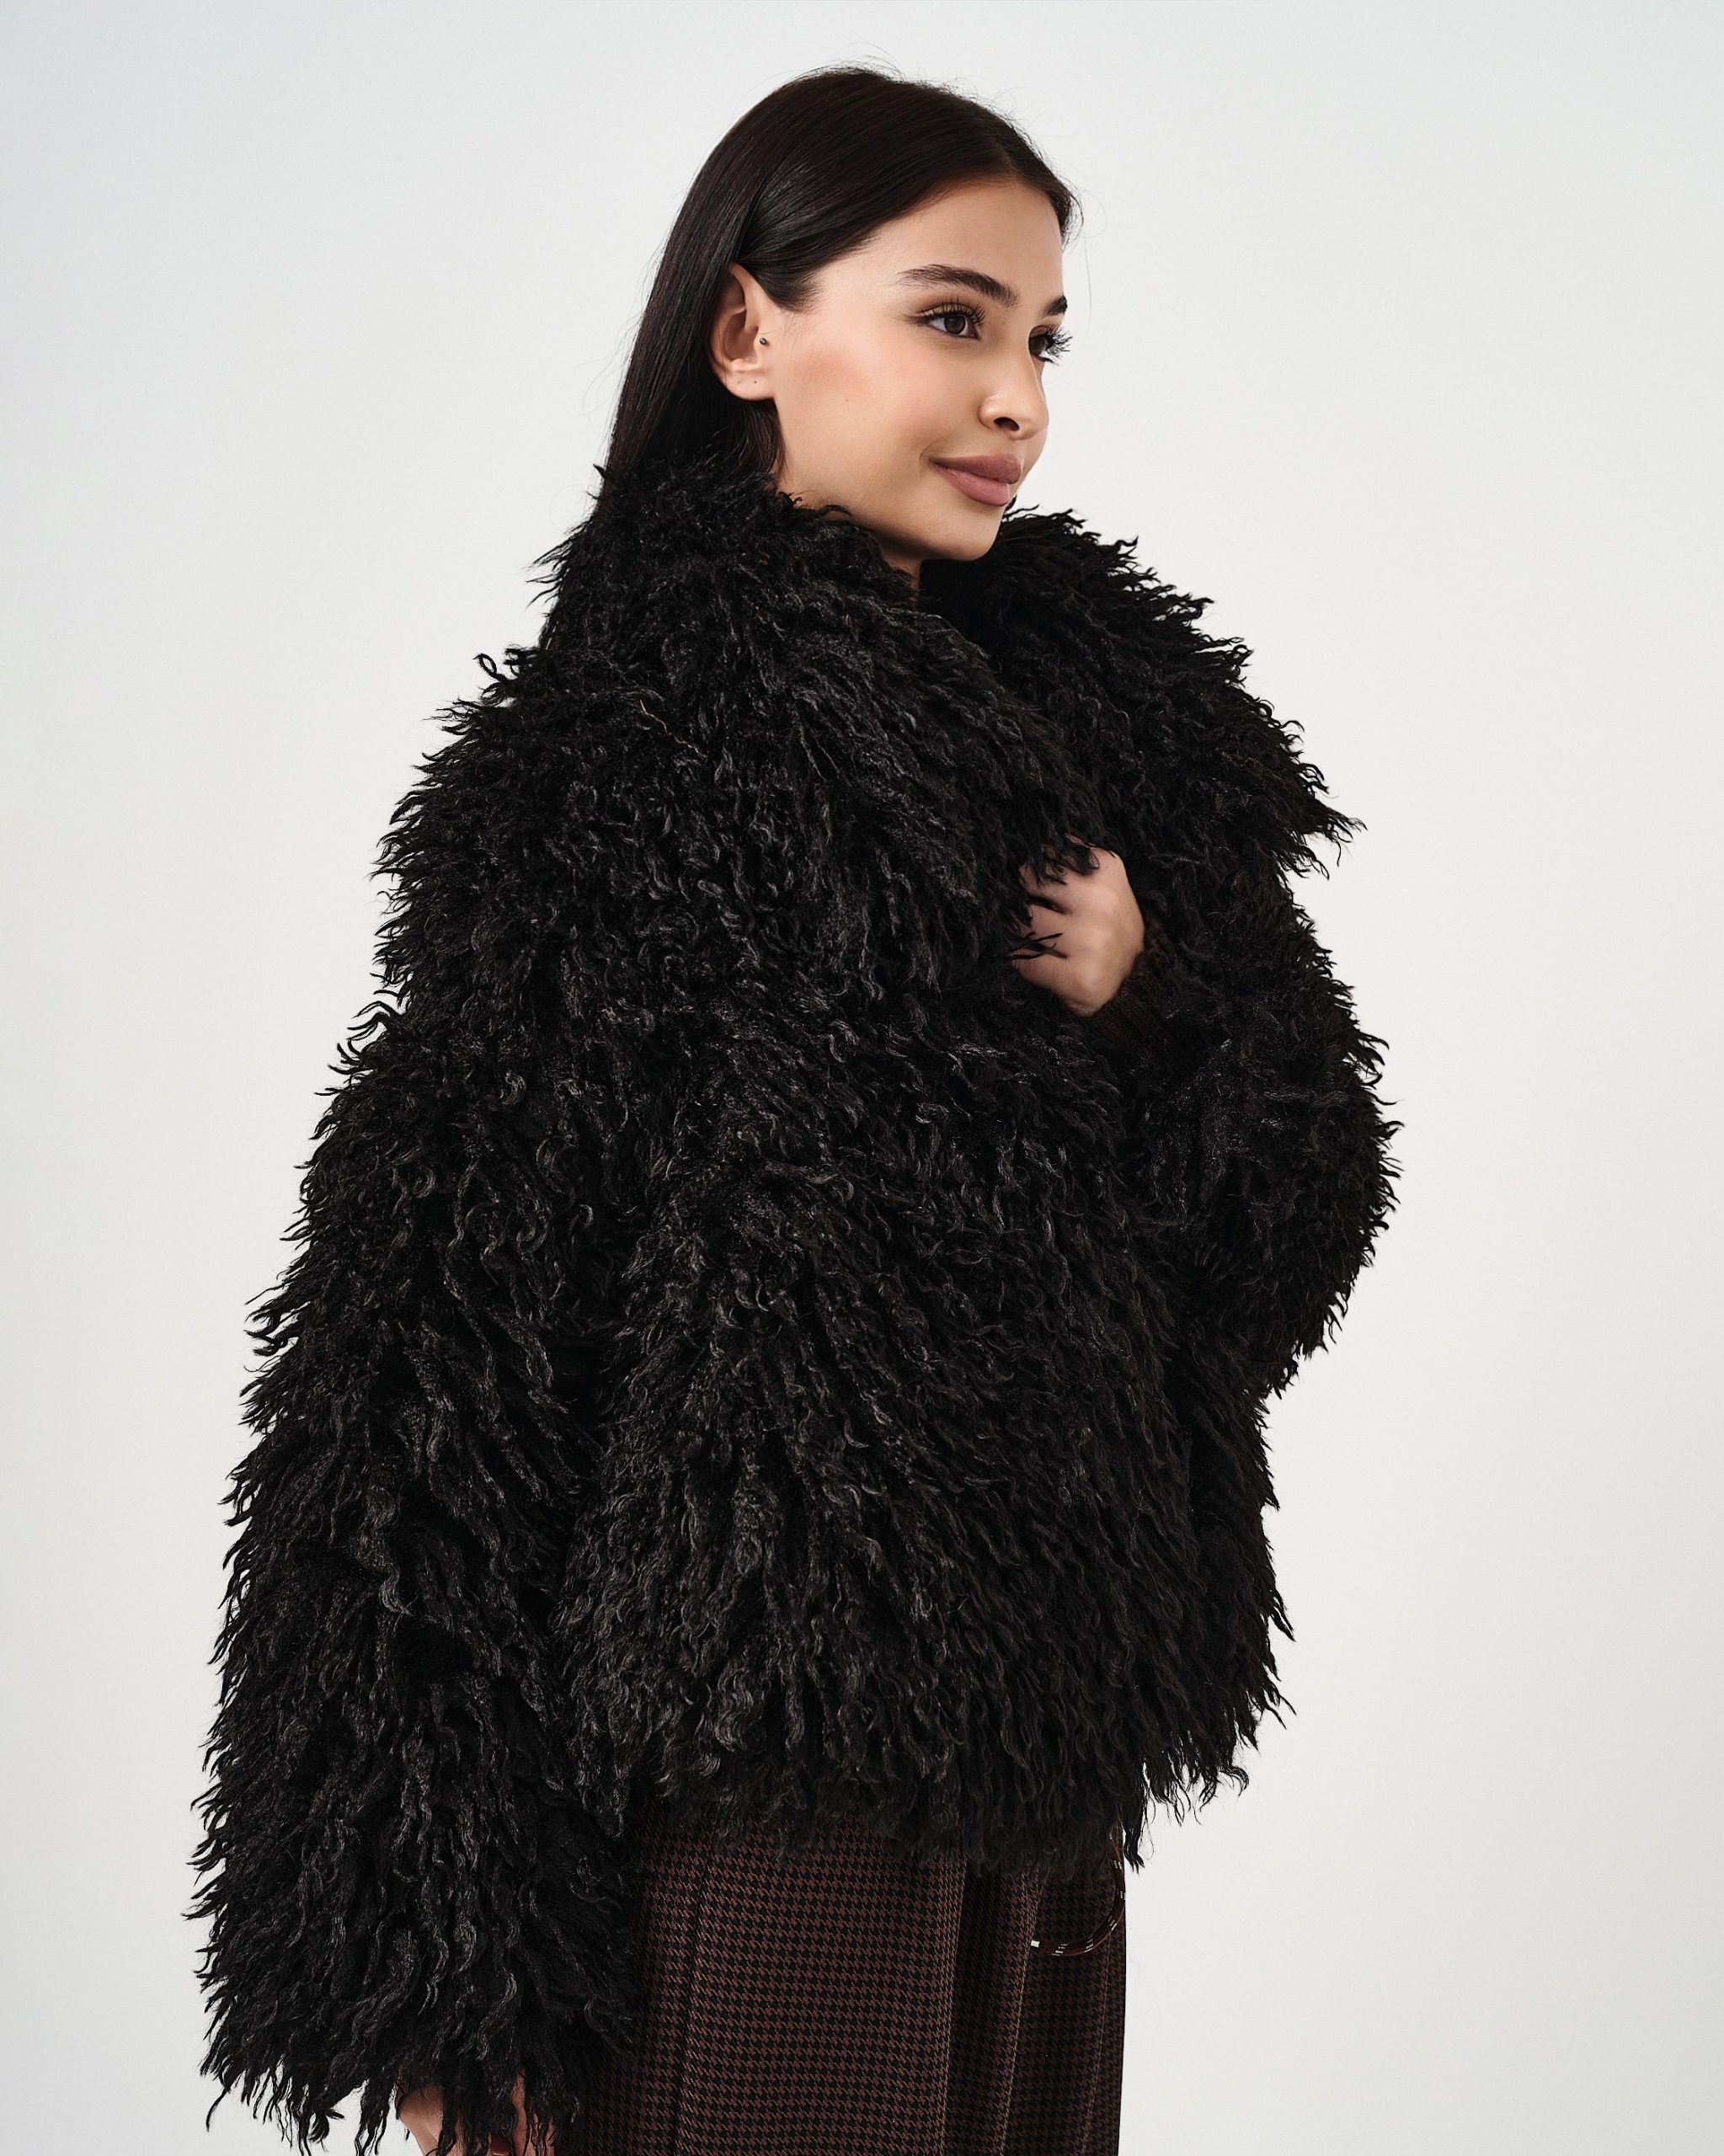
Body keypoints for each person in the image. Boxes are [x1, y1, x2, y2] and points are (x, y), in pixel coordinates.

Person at [189, 62, 1400, 2156]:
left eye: (1040, 338)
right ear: (749, 332)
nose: (1014, 398)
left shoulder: (1123, 768)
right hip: (747, 1789)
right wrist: (436, 1943)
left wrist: (1158, 1006)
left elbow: (1278, 1251)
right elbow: (423, 1355)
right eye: (950, 318)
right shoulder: (628, 760)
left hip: (1039, 1773)